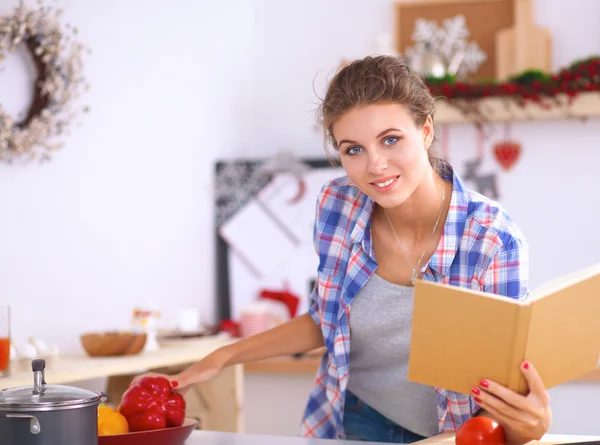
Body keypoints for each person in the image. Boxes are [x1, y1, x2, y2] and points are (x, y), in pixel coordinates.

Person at [131, 55, 552, 444]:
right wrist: (223, 357)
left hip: (453, 433)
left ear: (425, 131)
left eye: (390, 140)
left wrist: (530, 426)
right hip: (355, 416)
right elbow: (325, 320)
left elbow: (503, 377)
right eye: (353, 149)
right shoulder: (338, 205)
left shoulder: (492, 241)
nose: (375, 166)